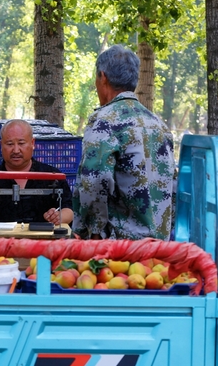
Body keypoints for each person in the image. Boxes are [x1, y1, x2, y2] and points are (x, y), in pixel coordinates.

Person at [74, 44, 175, 240]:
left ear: (103, 77)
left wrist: (91, 231)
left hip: (119, 248)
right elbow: (172, 185)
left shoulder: (105, 121)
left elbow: (93, 181)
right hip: (157, 245)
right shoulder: (158, 125)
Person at [0, 119, 74, 226]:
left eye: (21, 143)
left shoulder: (52, 176)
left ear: (32, 143)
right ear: (1, 145)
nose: (16, 150)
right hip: (1, 240)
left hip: (43, 241)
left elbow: (69, 210)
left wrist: (59, 216)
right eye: (10, 144)